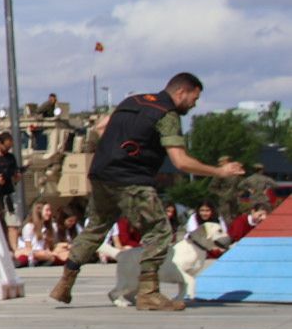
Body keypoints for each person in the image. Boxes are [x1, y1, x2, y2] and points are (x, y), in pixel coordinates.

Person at [49, 73, 244, 311]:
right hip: (132, 179)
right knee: (160, 231)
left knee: (96, 228)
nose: (194, 104)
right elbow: (180, 162)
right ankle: (149, 293)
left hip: (101, 174)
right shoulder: (166, 114)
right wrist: (219, 171)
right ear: (182, 92)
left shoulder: (132, 102)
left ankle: (65, 282)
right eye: (194, 98)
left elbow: (100, 127)